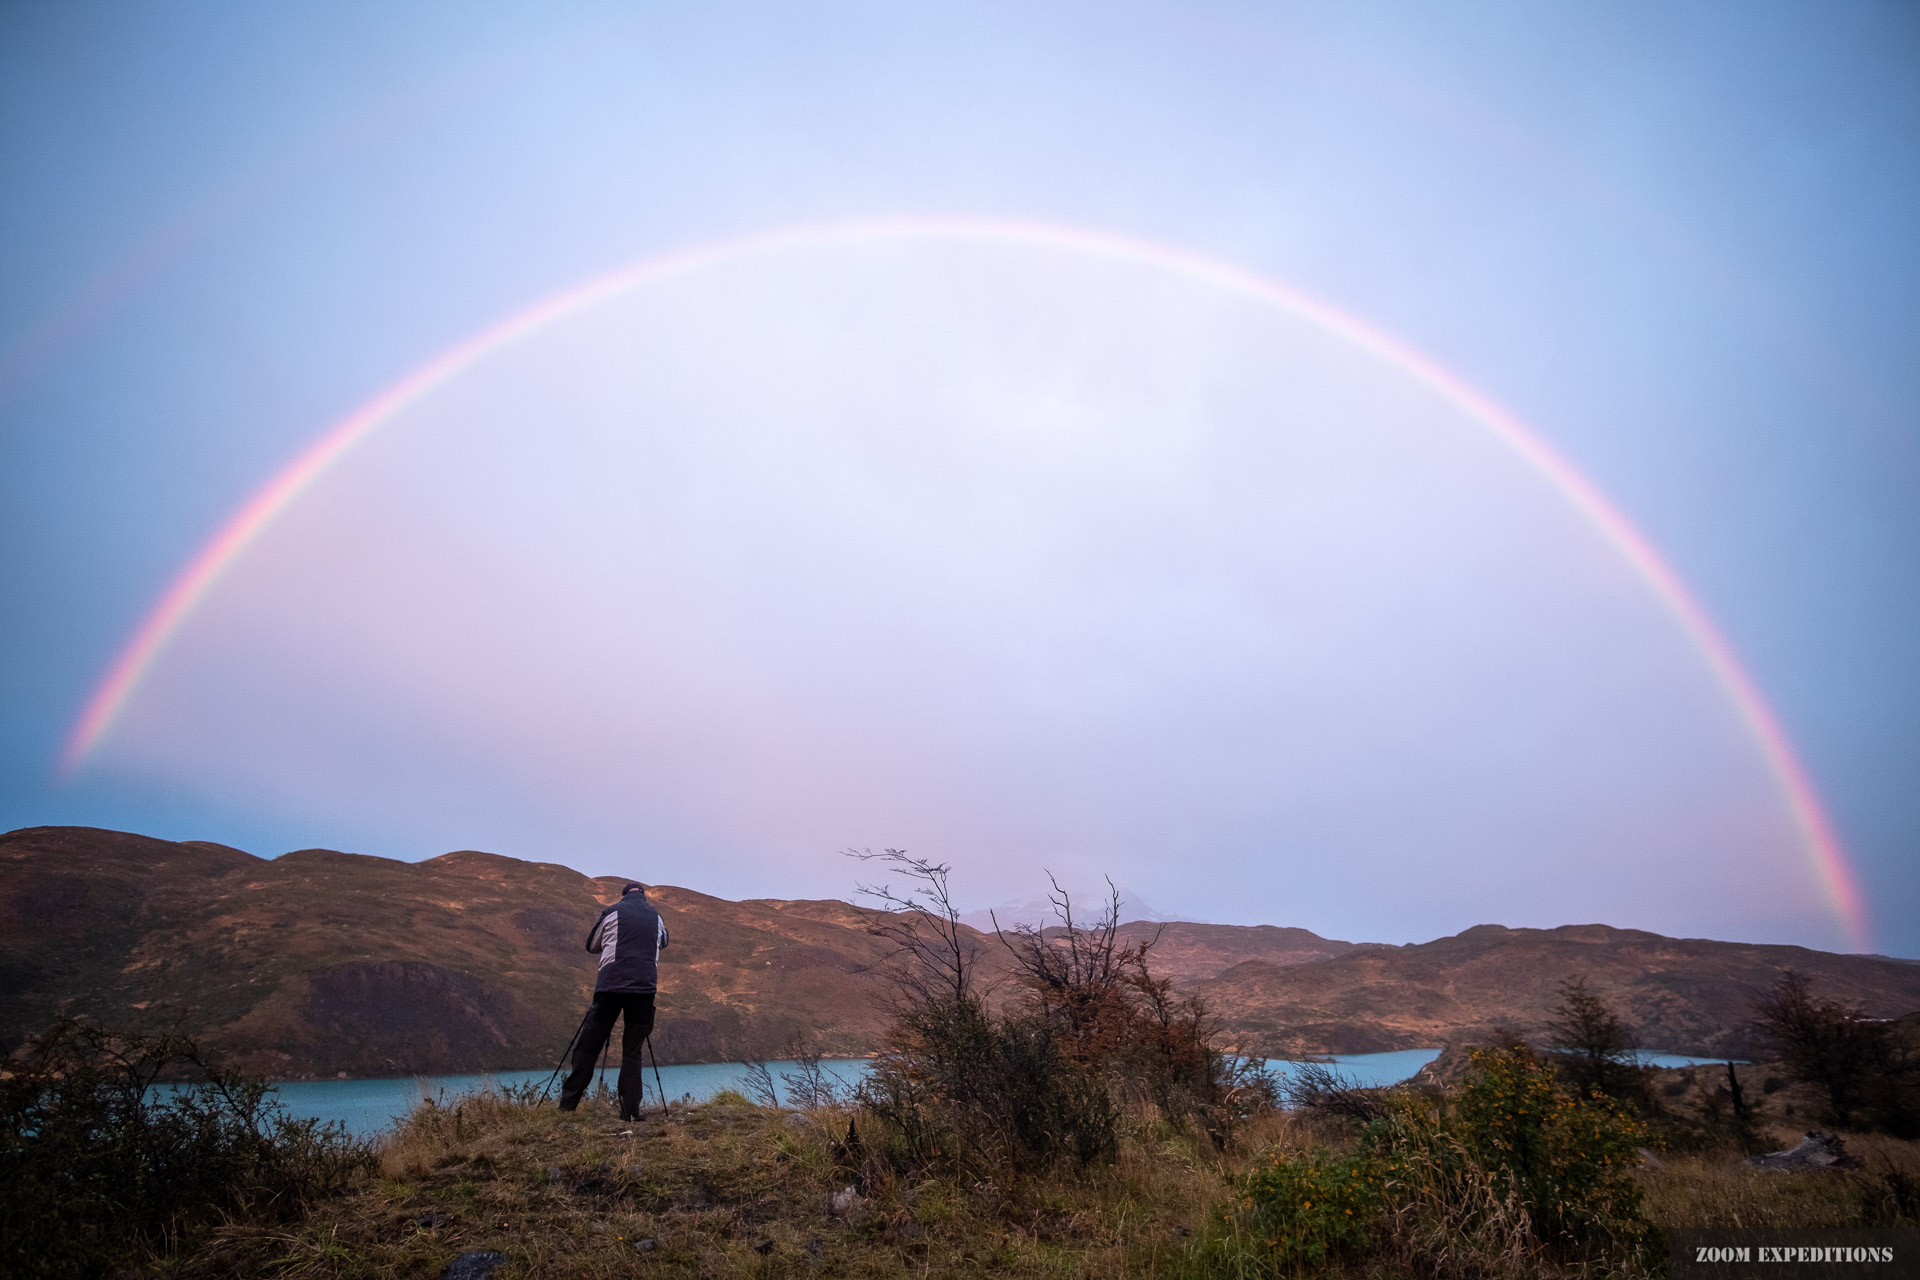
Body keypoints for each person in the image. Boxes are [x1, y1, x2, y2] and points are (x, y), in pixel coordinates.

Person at [558, 881, 669, 1119]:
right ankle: (630, 1111)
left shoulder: (612, 912)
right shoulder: (656, 917)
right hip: (644, 989)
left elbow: (592, 945)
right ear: (644, 896)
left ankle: (568, 1106)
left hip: (610, 987)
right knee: (632, 1051)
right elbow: (664, 941)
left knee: (589, 1046)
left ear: (623, 896)